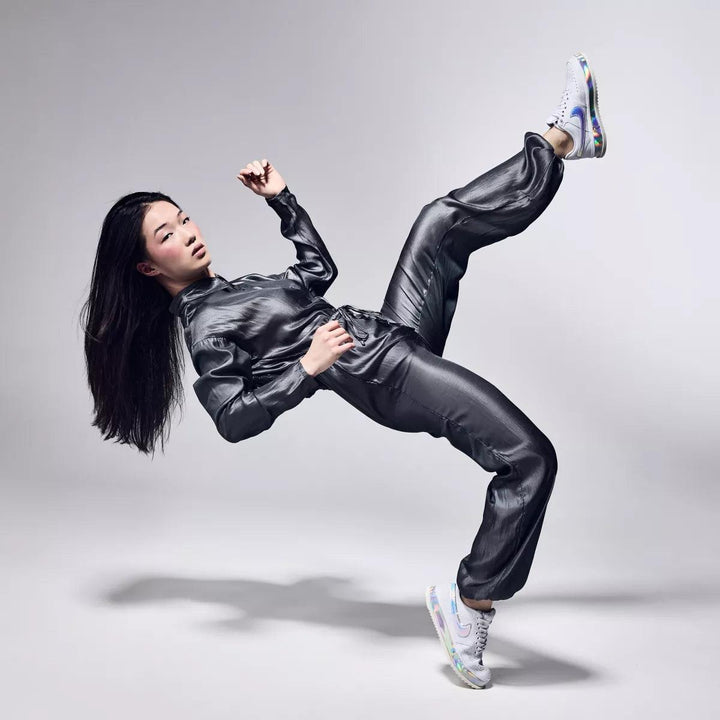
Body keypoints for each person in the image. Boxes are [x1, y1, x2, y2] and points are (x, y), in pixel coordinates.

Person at [81, 51, 606, 689]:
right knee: (529, 457)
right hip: (383, 375)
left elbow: (318, 274)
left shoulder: (233, 288)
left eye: (183, 217)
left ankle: (563, 138)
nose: (188, 232)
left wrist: (282, 200)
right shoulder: (205, 325)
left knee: (440, 221)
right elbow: (233, 419)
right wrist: (307, 368)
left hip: (387, 333)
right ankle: (470, 605)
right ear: (147, 267)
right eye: (167, 234)